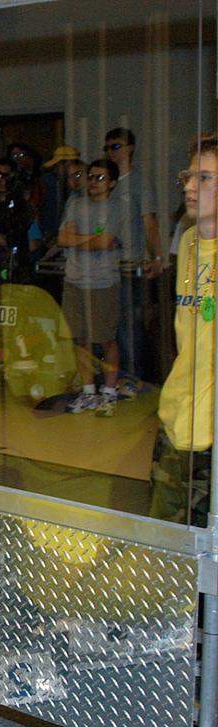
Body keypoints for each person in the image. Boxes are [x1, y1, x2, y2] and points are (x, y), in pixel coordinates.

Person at [153, 134, 218, 525]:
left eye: (205, 178)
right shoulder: (190, 242)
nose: (190, 188)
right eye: (188, 177)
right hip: (176, 417)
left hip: (212, 432)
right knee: (169, 547)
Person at [57, 158, 128, 417]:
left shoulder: (118, 207)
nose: (93, 182)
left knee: (105, 339)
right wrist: (90, 239)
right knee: (80, 339)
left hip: (103, 282)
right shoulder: (75, 203)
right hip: (74, 281)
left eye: (99, 178)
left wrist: (80, 240)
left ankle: (109, 392)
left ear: (111, 183)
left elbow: (105, 243)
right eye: (90, 177)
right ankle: (89, 392)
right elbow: (63, 239)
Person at [103, 127, 164, 387]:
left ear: (129, 148)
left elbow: (149, 222)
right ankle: (118, 380)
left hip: (131, 267)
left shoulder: (139, 182)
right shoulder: (108, 183)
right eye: (107, 148)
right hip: (108, 268)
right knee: (111, 331)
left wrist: (158, 257)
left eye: (115, 147)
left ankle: (137, 381)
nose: (110, 153)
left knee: (130, 330)